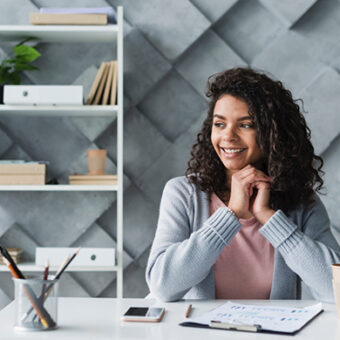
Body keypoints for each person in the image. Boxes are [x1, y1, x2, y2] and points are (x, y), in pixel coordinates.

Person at [145, 67, 340, 303]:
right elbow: (162, 287)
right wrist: (230, 214)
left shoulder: (301, 202)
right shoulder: (184, 194)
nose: (228, 136)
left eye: (245, 125)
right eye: (220, 124)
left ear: (272, 134)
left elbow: (336, 290)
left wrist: (269, 218)